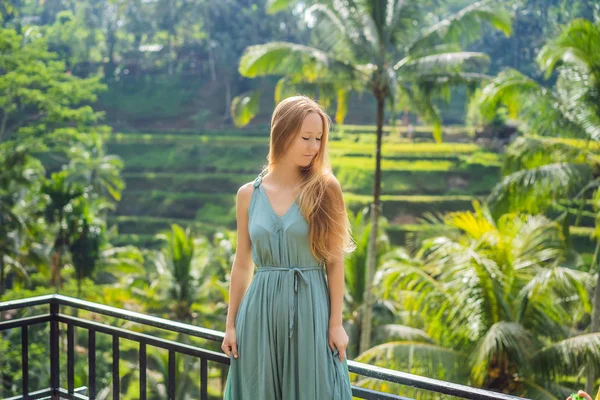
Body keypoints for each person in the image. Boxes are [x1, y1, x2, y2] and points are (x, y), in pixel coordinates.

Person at [221, 95, 357, 399]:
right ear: (282, 134)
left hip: (311, 310)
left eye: (319, 138)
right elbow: (243, 263)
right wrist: (230, 326)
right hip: (259, 314)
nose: (314, 147)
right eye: (305, 137)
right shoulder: (248, 195)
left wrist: (336, 324)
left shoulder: (325, 189)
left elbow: (335, 262)